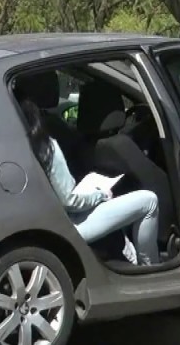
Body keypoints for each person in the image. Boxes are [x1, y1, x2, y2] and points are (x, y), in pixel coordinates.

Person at [20, 98, 161, 265]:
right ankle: (150, 269)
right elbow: (70, 201)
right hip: (69, 223)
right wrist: (100, 195)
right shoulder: (45, 145)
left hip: (39, 223)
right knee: (149, 201)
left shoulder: (10, 148)